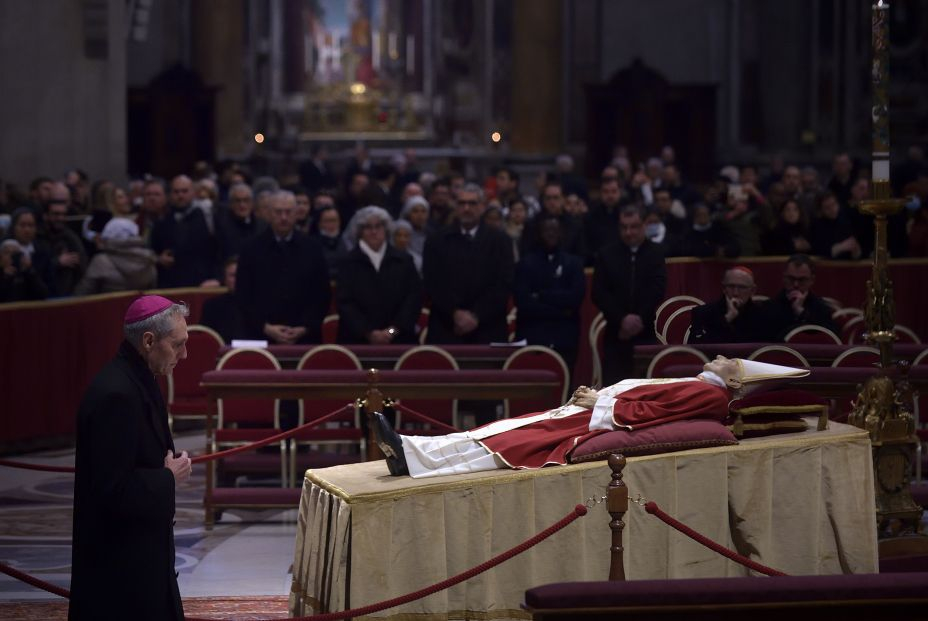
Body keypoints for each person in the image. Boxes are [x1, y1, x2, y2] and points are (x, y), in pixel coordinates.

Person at [371, 357, 808, 478]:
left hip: (593, 421)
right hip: (592, 413)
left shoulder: (706, 394)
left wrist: (597, 401)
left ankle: (413, 459)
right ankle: (412, 450)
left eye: (729, 361)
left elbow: (650, 415)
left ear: (733, 383)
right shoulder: (702, 385)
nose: (719, 356)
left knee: (510, 443)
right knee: (499, 430)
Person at [69, 295, 192, 620]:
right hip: (119, 569)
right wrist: (168, 477)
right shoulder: (117, 395)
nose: (184, 354)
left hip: (142, 555)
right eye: (177, 345)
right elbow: (111, 490)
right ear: (149, 341)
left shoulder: (138, 380)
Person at [423, 183, 514, 344]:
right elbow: (433, 281)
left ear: (483, 206)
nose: (466, 208)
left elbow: (503, 283)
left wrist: (476, 315)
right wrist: (454, 313)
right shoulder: (436, 240)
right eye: (462, 203)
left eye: (472, 203)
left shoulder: (500, 241)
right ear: (455, 206)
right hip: (446, 327)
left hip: (488, 328)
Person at [236, 190, 331, 344]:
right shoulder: (251, 249)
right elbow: (243, 295)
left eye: (288, 212)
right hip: (262, 335)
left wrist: (305, 327)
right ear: (269, 214)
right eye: (278, 212)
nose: (284, 218)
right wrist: (265, 327)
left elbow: (322, 294)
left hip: (305, 337)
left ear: (296, 214)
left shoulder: (312, 248)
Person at [592, 205, 666, 384]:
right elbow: (599, 293)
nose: (628, 232)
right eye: (624, 227)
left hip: (646, 331)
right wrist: (622, 319)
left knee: (647, 389)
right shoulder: (606, 254)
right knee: (614, 390)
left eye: (634, 226)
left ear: (643, 226)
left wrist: (638, 319)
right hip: (615, 334)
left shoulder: (656, 253)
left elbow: (657, 289)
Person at [336, 206, 422, 344]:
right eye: (368, 227)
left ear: (386, 229)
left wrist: (391, 332)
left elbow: (412, 301)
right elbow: (345, 303)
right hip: (358, 341)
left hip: (399, 339)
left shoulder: (404, 261)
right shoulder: (348, 263)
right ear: (360, 231)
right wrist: (369, 333)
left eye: (378, 226)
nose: (374, 232)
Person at [513, 215, 586, 371]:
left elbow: (574, 300)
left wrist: (541, 295)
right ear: (539, 233)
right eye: (546, 230)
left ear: (561, 233)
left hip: (565, 337)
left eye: (555, 230)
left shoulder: (574, 263)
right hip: (533, 336)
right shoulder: (525, 264)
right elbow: (524, 304)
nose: (551, 234)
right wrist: (561, 308)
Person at [761, 254, 839, 339]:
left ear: (812, 280)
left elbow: (831, 337)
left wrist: (802, 313)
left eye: (802, 280)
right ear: (784, 277)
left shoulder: (821, 307)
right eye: (791, 278)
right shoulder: (769, 307)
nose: (796, 284)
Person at [74, 218, 157, 295]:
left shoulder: (101, 261)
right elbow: (152, 291)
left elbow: (82, 294)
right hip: (138, 309)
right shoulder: (148, 258)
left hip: (108, 310)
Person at [690, 267, 767, 343]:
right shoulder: (703, 313)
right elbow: (696, 347)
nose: (735, 293)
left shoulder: (763, 315)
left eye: (742, 287)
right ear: (724, 288)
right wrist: (727, 319)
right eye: (731, 286)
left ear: (753, 290)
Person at [200, 256, 245, 343]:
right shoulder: (211, 307)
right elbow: (205, 339)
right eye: (233, 275)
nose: (238, 278)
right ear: (225, 279)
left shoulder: (259, 304)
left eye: (241, 274)